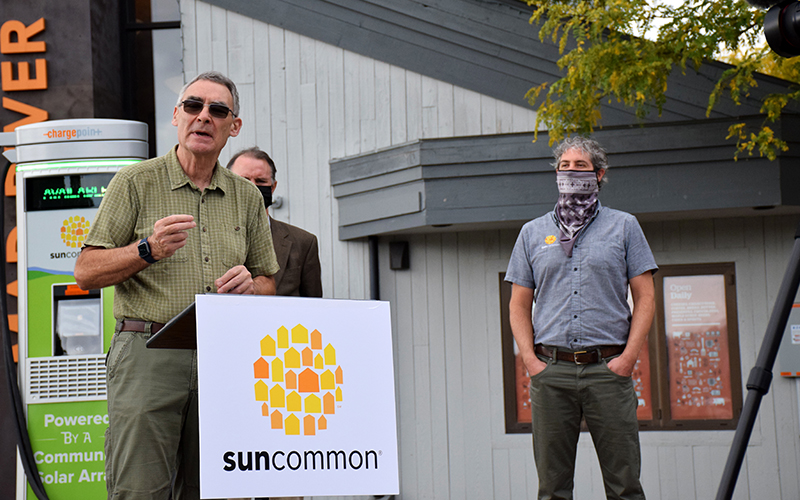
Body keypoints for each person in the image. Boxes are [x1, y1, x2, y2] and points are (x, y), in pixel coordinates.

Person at [74, 71, 280, 500]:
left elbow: (267, 282)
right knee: (140, 489)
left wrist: (253, 287)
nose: (204, 117)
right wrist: (145, 249)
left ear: (233, 126)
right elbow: (86, 271)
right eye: (193, 106)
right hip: (149, 353)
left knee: (219, 489)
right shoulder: (135, 182)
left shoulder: (246, 196)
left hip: (224, 356)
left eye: (217, 110)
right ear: (177, 116)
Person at [505, 136, 657, 500]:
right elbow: (517, 305)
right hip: (551, 372)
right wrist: (530, 360)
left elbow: (646, 297)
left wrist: (628, 359)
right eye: (564, 166)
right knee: (552, 488)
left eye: (581, 166)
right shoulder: (531, 233)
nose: (571, 172)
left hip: (608, 369)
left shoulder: (624, 227)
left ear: (599, 174)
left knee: (625, 486)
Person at [228, 147, 323, 298]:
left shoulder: (303, 242)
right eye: (244, 181)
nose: (252, 188)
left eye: (260, 181)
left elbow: (313, 306)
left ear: (273, 187)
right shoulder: (209, 233)